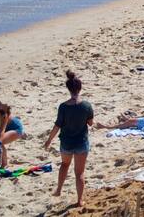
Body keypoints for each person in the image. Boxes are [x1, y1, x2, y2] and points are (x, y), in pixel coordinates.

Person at [43, 71, 94, 208]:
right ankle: (80, 200)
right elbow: (90, 123)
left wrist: (49, 140)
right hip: (81, 143)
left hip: (66, 143)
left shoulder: (63, 107)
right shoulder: (86, 106)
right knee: (79, 173)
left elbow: (57, 126)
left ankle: (59, 189)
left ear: (68, 89)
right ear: (80, 88)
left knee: (64, 165)